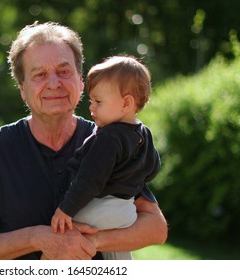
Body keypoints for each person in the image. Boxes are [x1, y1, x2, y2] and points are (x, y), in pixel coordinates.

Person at [0, 21, 167, 260]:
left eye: (63, 71)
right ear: (22, 88)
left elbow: (156, 228)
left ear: (81, 81)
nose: (54, 83)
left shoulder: (110, 138)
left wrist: (92, 241)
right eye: (39, 74)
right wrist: (37, 238)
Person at [50, 55, 160, 260]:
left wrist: (65, 209)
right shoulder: (144, 133)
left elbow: (89, 180)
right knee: (117, 254)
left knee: (60, 239)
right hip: (125, 212)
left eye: (98, 102)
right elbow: (153, 168)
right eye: (91, 100)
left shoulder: (107, 138)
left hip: (99, 210)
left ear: (126, 103)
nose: (91, 107)